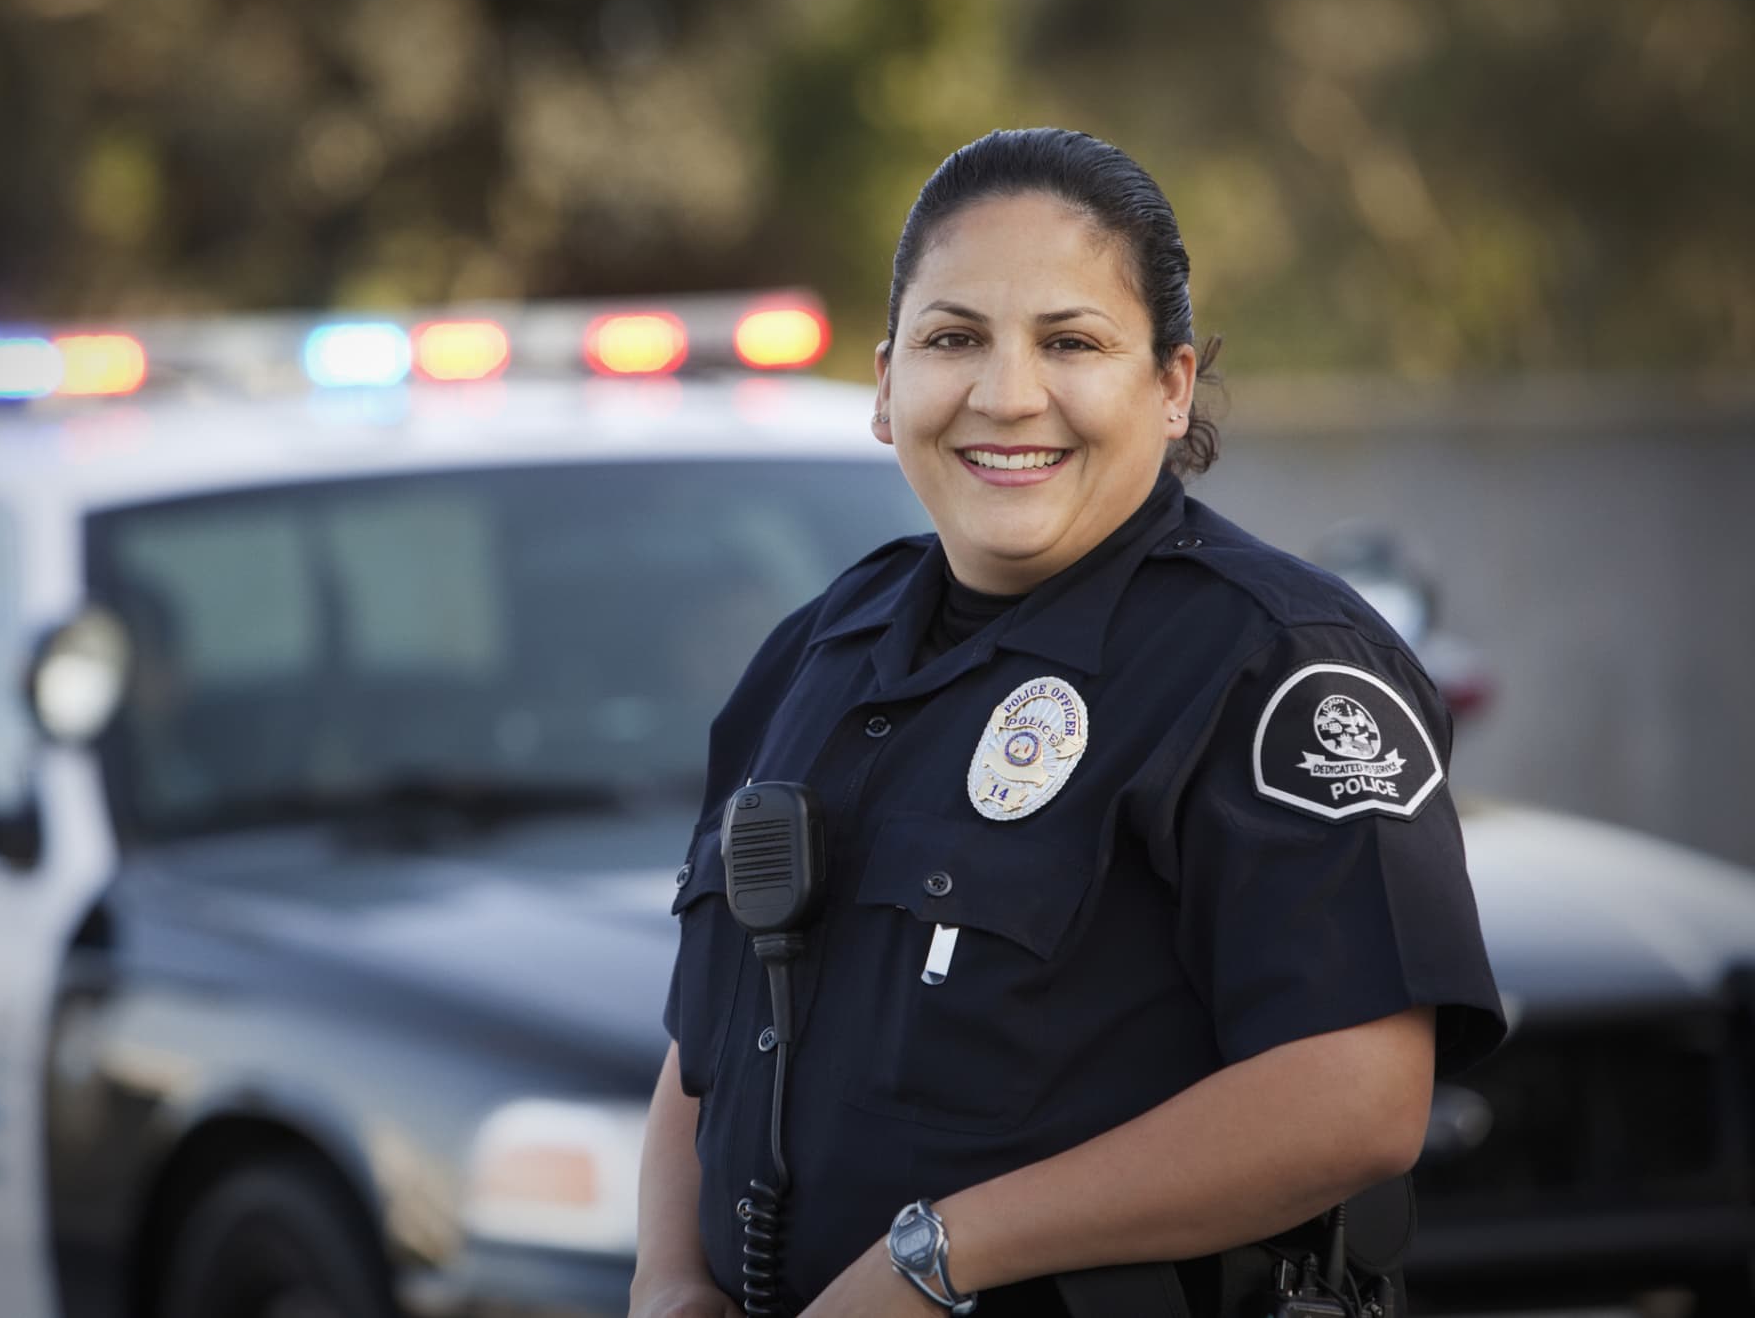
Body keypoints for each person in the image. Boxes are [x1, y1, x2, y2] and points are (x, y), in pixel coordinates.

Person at [630, 128, 1504, 1318]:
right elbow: (707, 1042)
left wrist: (933, 1259)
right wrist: (669, 1278)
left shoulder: (1274, 662)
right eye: (952, 340)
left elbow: (1352, 1097)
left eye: (1069, 342)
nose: (1004, 395)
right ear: (886, 387)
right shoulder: (812, 653)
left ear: (1169, 386)